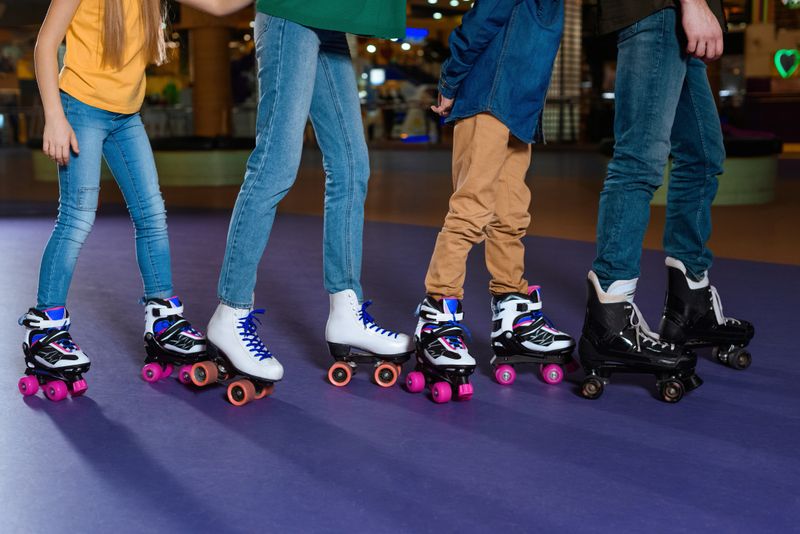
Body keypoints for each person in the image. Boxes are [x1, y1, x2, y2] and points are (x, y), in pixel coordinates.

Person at [17, 0, 248, 402]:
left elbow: (217, 4)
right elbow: (44, 45)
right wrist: (54, 116)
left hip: (127, 116)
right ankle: (46, 329)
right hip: (81, 108)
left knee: (153, 215)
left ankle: (164, 321)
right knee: (76, 218)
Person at [205, 0, 414, 396]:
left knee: (352, 166)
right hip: (294, 12)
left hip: (330, 16)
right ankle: (230, 312)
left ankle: (345, 310)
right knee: (275, 165)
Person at [578, 0, 754, 403]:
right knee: (638, 159)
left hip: (674, 16)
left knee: (703, 156)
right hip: (657, 9)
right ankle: (610, 318)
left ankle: (690, 303)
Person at [409, 0, 575, 403]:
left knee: (511, 216)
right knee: (471, 210)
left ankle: (512, 311)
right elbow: (480, 22)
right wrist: (450, 83)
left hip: (520, 109)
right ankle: (437, 316)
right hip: (486, 97)